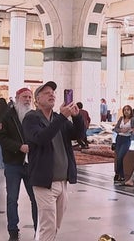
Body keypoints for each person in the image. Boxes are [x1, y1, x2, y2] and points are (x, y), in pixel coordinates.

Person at [22, 81, 85, 241]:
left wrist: (76, 117)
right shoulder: (31, 118)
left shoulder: (58, 118)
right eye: (46, 92)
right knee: (47, 227)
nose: (52, 94)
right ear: (37, 100)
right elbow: (41, 138)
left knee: (54, 226)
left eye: (53, 92)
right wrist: (63, 117)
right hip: (44, 182)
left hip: (62, 182)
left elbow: (79, 135)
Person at [0, 87, 38, 241]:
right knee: (12, 198)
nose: (27, 100)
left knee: (36, 199)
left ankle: (38, 230)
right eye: (24, 97)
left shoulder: (34, 116)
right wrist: (18, 147)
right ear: (17, 97)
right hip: (13, 163)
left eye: (29, 97)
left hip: (31, 164)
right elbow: (0, 137)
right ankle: (13, 230)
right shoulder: (7, 115)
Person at [113, 105, 134, 183]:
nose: (126, 111)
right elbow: (115, 128)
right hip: (119, 138)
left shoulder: (133, 120)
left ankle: (118, 174)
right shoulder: (121, 119)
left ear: (130, 111)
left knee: (120, 157)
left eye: (128, 110)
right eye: (125, 110)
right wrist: (120, 130)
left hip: (126, 140)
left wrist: (131, 130)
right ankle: (121, 175)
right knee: (118, 158)